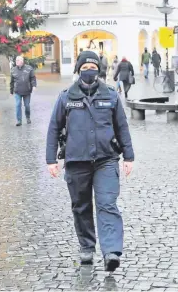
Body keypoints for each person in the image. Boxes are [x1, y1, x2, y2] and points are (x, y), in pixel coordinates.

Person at [46, 50, 134, 273]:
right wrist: (51, 160)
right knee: (81, 206)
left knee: (107, 204)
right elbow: (54, 129)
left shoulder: (111, 95)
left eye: (93, 67)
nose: (89, 71)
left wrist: (129, 156)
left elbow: (122, 126)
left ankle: (111, 252)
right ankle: (86, 246)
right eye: (85, 68)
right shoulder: (66, 97)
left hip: (106, 159)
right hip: (76, 161)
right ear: (78, 70)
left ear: (99, 70)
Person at [10, 56, 37, 126]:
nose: (16, 61)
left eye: (18, 60)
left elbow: (33, 78)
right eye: (16, 60)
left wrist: (34, 86)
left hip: (27, 91)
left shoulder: (29, 68)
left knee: (27, 105)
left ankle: (28, 117)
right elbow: (11, 81)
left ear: (22, 61)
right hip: (17, 91)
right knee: (18, 105)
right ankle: (19, 120)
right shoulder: (13, 70)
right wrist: (11, 91)